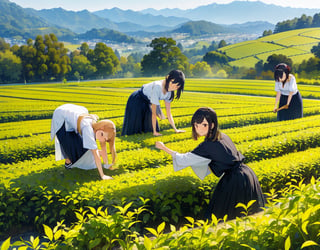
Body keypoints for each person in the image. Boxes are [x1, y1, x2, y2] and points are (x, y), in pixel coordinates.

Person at [155, 107, 265, 220]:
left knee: (223, 216)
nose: (199, 129)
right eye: (196, 125)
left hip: (235, 180)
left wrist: (164, 148)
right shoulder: (222, 136)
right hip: (247, 174)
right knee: (247, 215)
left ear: (212, 125)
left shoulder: (207, 145)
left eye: (204, 125)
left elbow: (184, 159)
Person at [51, 104, 117, 180]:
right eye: (103, 135)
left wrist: (106, 165)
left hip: (72, 112)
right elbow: (95, 153)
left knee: (84, 149)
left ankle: (70, 161)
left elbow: (103, 146)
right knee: (73, 149)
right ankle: (68, 163)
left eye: (105, 139)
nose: (103, 140)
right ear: (101, 128)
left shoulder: (96, 127)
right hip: (61, 116)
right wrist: (102, 175)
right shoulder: (87, 128)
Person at [121, 69, 186, 136]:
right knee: (134, 129)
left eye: (177, 86)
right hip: (137, 100)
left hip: (147, 102)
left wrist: (176, 129)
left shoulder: (169, 93)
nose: (173, 87)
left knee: (149, 129)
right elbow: (154, 113)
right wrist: (155, 132)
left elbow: (168, 113)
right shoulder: (157, 87)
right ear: (168, 78)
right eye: (172, 82)